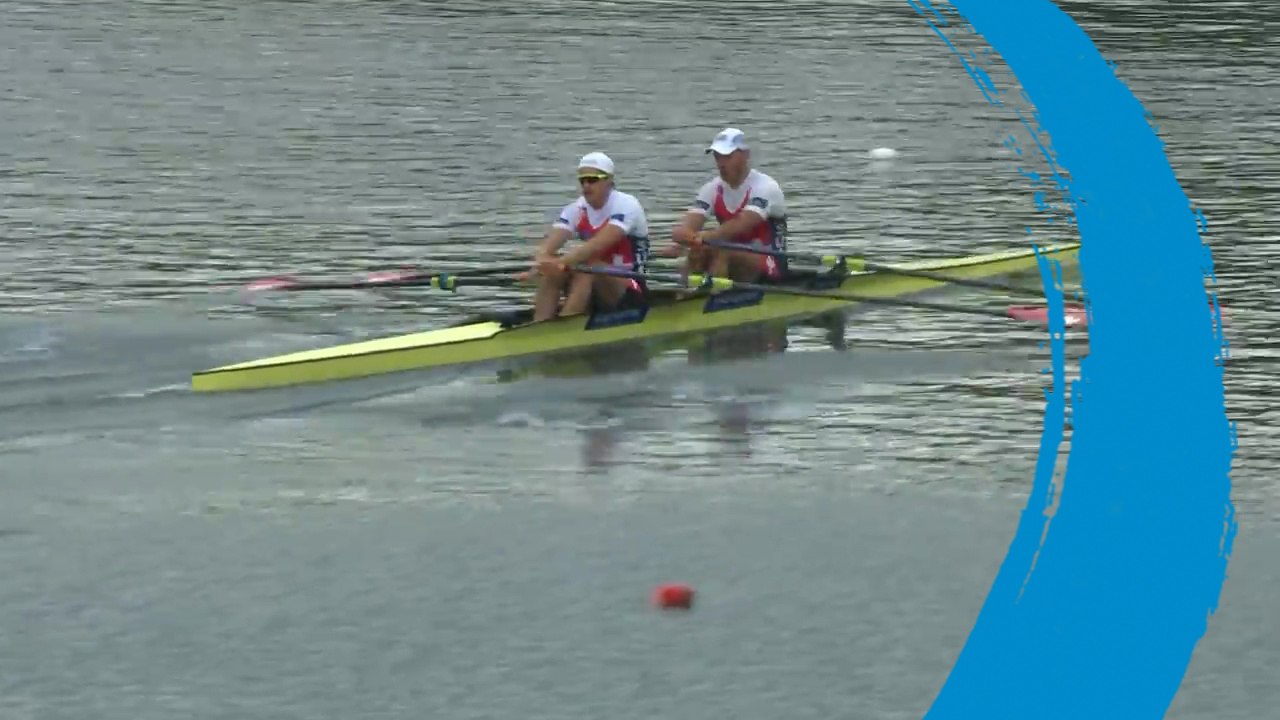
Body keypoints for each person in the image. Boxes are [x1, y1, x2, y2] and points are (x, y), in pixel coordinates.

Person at [529, 152, 651, 322]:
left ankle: (566, 324)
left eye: (592, 179)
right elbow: (548, 246)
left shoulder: (626, 204)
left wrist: (561, 263)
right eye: (582, 180)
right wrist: (542, 263)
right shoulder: (576, 208)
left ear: (609, 180)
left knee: (587, 265)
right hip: (594, 284)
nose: (586, 185)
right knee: (555, 271)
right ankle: (539, 325)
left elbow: (598, 245)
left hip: (630, 288)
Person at [664, 128, 789, 283]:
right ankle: (684, 296)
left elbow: (741, 224)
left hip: (772, 262)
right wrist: (683, 236)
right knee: (698, 251)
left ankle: (715, 298)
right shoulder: (712, 188)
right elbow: (688, 225)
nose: (721, 163)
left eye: (727, 156)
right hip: (734, 259)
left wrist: (703, 237)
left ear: (745, 155)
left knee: (723, 250)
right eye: (717, 157)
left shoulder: (765, 187)